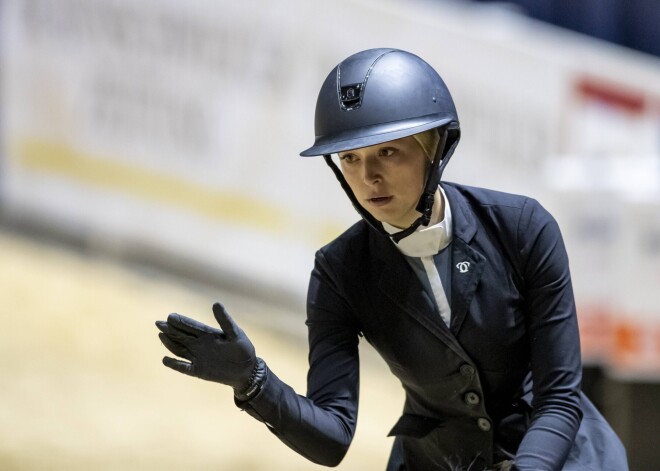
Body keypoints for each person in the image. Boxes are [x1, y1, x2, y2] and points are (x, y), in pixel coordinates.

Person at [155, 48, 628, 470]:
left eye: (388, 152)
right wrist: (255, 383)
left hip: (559, 456)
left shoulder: (524, 228)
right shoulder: (339, 271)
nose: (369, 177)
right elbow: (333, 438)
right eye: (351, 159)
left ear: (434, 148)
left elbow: (559, 400)